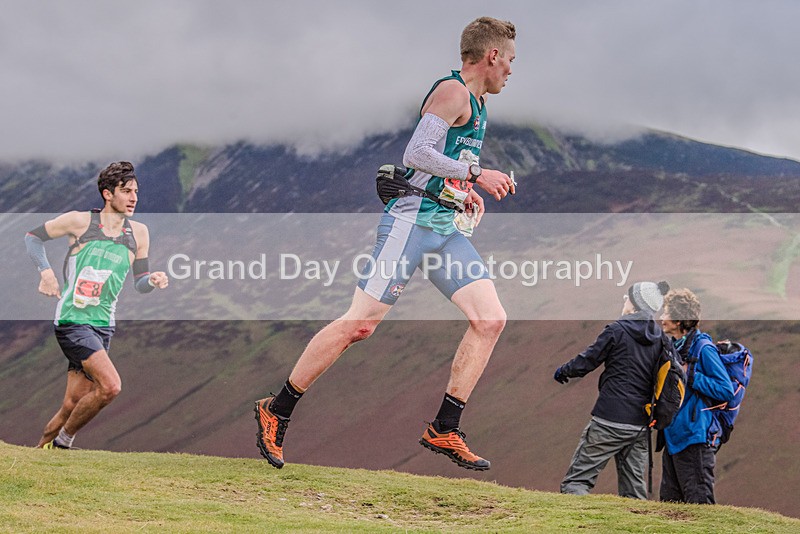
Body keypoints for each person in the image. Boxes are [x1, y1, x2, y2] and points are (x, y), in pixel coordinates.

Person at [254, 16, 517, 470]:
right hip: (409, 226)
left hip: (444, 229)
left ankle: (444, 428)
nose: (512, 71)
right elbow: (414, 154)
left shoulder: (479, 102)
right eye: (510, 60)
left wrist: (462, 193)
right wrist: (476, 174)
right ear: (491, 56)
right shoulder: (453, 92)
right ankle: (275, 411)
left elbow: (439, 164)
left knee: (490, 319)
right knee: (359, 325)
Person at [25, 161, 169, 449]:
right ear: (107, 194)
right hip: (72, 321)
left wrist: (152, 280)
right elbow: (33, 238)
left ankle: (37, 454)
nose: (133, 198)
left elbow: (139, 284)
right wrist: (46, 272)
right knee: (111, 386)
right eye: (126, 191)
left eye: (136, 192)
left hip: (104, 326)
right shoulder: (80, 222)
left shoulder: (139, 233)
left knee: (72, 403)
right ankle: (63, 443)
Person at [554, 281, 670, 499]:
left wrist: (563, 371)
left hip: (609, 420)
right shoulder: (662, 339)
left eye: (627, 297)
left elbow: (587, 360)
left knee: (577, 482)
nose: (624, 301)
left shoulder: (617, 330)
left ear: (635, 304)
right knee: (634, 493)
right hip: (640, 425)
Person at [659, 288, 734, 504]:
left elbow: (725, 390)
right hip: (673, 437)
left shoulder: (703, 348)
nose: (662, 318)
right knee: (670, 506)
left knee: (699, 504)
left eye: (666, 313)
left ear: (679, 319)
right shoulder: (673, 346)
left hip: (695, 438)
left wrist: (690, 375)